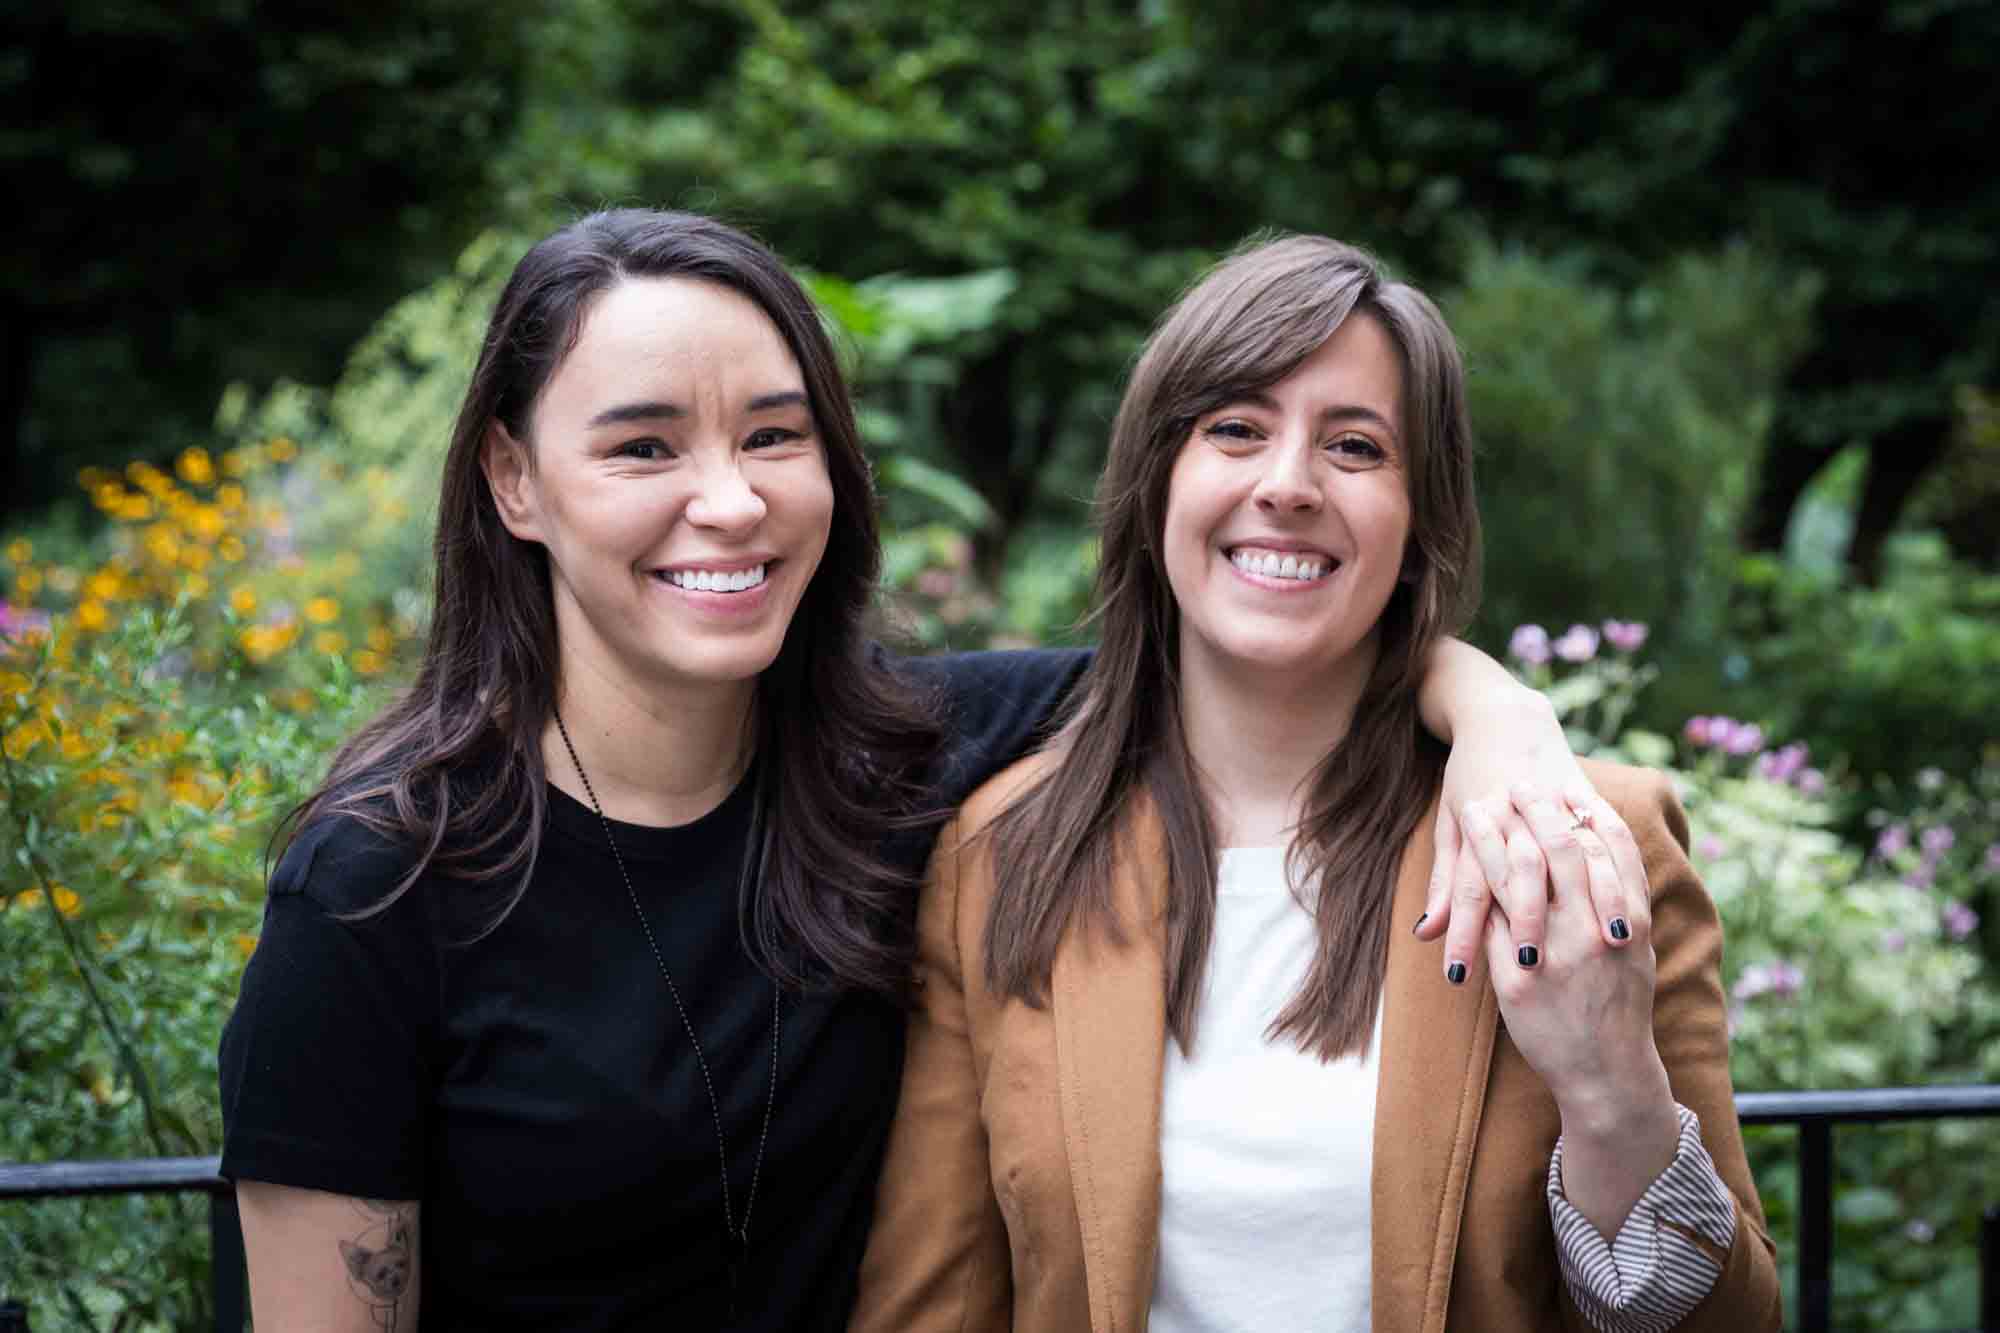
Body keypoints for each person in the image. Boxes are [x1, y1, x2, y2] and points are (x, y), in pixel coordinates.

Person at [218, 210, 1637, 1333]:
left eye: (774, 435)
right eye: (644, 445)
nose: (730, 499)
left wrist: (1500, 714)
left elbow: (1254, 651)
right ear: (515, 482)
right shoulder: (382, 882)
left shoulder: (908, 764)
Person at [849, 234, 1782, 1332]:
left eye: (1353, 446)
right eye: (1234, 429)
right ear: (1155, 483)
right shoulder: (999, 857)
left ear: (1417, 520)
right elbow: (931, 1304)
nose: (1286, 485)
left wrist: (1610, 1090)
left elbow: (1725, 1324)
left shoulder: (1578, 839)